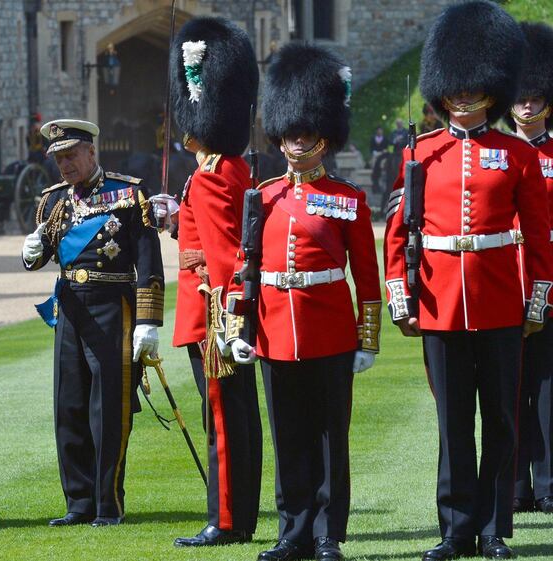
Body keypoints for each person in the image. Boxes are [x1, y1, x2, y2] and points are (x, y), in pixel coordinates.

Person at [384, 3, 553, 560]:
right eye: (454, 89)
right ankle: (455, 529)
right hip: (439, 304)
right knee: (453, 423)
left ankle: (493, 529)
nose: (462, 97)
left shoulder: (517, 155)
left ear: (490, 90)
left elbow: (539, 236)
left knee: (500, 420)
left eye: (472, 88)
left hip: (502, 302)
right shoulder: (419, 154)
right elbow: (397, 234)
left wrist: (537, 302)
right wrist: (400, 300)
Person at [225, 43, 381, 561]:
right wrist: (235, 330)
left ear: (323, 138)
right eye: (291, 135)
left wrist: (367, 339)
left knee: (330, 441)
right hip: (274, 334)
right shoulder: (264, 196)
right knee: (288, 438)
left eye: (307, 135)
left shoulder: (347, 198)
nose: (298, 143)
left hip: (331, 334)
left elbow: (366, 275)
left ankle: (326, 534)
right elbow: (241, 268)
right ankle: (292, 532)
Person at [22, 119, 164, 527]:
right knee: (69, 406)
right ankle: (78, 503)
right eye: (58, 158)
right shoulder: (52, 201)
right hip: (70, 310)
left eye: (71, 156)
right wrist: (30, 253)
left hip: (112, 308)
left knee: (109, 411)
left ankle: (107, 504)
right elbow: (42, 255)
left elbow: (149, 262)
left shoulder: (128, 193)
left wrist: (147, 321)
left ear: (91, 153)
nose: (65, 165)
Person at [161, 17, 263, 548]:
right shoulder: (233, 170)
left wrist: (228, 326)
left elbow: (223, 258)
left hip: (214, 320)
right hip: (225, 314)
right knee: (241, 418)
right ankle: (241, 516)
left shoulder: (209, 175)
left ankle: (225, 520)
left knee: (222, 419)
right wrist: (176, 221)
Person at [506, 21, 553, 516]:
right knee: (509, 388)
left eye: (533, 97)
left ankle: (548, 482)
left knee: (546, 386)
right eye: (519, 98)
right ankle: (515, 482)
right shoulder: (501, 154)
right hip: (505, 278)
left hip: (550, 276)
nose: (524, 106)